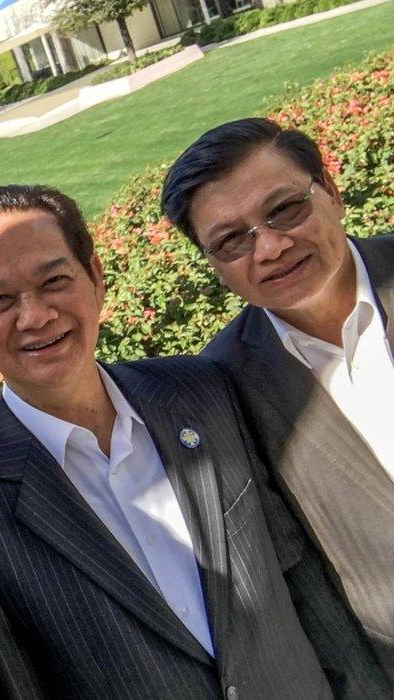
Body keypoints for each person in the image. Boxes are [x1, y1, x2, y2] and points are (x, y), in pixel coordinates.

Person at [0, 184, 331, 698]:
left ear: (95, 278)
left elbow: (302, 577)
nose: (36, 315)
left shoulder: (203, 391)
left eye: (54, 280)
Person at [161, 116, 394, 686]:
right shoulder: (220, 392)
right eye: (231, 240)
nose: (269, 247)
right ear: (215, 266)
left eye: (284, 209)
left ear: (331, 193)